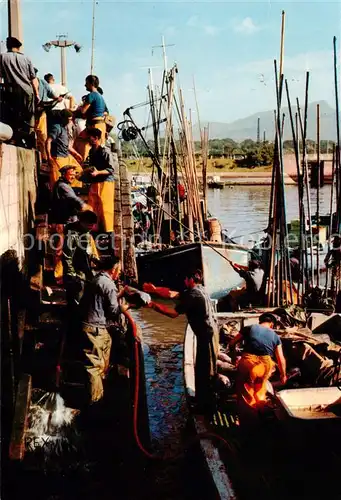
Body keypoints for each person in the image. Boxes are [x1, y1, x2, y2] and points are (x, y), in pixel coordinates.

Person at [143, 270, 220, 413]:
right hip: (210, 332)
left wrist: (152, 305)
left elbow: (173, 314)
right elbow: (174, 294)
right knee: (204, 367)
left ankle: (205, 406)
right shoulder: (199, 289)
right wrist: (154, 290)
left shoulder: (193, 295)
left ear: (191, 279)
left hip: (206, 335)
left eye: (186, 279)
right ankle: (204, 401)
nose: (184, 281)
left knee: (204, 370)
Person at [79, 254, 129, 403]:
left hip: (89, 325)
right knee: (94, 367)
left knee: (100, 361)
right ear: (114, 269)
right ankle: (95, 401)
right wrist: (126, 307)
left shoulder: (96, 279)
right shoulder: (108, 284)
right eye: (118, 270)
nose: (119, 273)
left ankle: (99, 392)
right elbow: (113, 312)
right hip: (95, 328)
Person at [228, 313, 287, 427]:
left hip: (250, 363)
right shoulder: (275, 336)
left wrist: (234, 357)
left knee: (246, 395)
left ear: (260, 321)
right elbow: (281, 358)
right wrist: (283, 375)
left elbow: (232, 343)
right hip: (266, 365)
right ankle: (262, 417)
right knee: (260, 391)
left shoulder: (249, 328)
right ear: (271, 324)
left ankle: (250, 426)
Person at [50, 165, 93, 283]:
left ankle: (61, 276)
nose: (73, 176)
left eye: (74, 174)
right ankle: (59, 277)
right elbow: (75, 201)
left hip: (66, 222)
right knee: (61, 251)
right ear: (64, 174)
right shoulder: (63, 186)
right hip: (64, 223)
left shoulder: (64, 185)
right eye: (71, 174)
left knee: (66, 251)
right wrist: (86, 207)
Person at [0, 36, 39, 144]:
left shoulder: (2, 57)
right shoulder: (26, 59)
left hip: (10, 91)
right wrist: (37, 94)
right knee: (27, 117)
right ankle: (27, 138)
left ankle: (14, 138)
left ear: (8, 46)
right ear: (18, 47)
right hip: (27, 92)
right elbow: (33, 79)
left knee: (12, 116)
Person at [81, 127, 118, 240]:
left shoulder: (105, 151)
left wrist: (98, 172)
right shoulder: (92, 151)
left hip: (106, 182)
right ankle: (94, 228)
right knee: (93, 205)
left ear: (96, 138)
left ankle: (108, 232)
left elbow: (111, 169)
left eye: (90, 138)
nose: (88, 140)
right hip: (95, 182)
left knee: (105, 206)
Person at [62, 210, 99, 314]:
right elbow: (67, 257)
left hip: (84, 273)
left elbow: (87, 251)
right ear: (82, 222)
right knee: (75, 303)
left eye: (93, 225)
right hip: (75, 275)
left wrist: (95, 259)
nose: (91, 227)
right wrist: (72, 275)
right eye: (89, 225)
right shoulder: (72, 235)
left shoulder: (86, 233)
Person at [74, 75, 108, 161]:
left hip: (94, 126)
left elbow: (82, 111)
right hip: (100, 125)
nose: (85, 85)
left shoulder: (91, 95)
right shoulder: (101, 97)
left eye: (86, 83)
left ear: (91, 84)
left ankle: (84, 163)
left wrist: (75, 111)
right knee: (97, 148)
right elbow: (105, 112)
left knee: (80, 143)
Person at [46, 109, 83, 189]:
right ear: (64, 118)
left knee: (79, 170)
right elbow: (48, 141)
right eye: (69, 119)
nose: (70, 121)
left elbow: (68, 146)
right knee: (60, 178)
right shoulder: (57, 128)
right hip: (59, 157)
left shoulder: (64, 128)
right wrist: (49, 156)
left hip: (67, 156)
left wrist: (76, 154)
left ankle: (73, 191)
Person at [34, 68, 61, 163]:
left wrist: (57, 98)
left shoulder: (42, 82)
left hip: (40, 112)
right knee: (37, 135)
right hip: (30, 113)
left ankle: (44, 158)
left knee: (42, 135)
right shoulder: (26, 82)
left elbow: (51, 94)